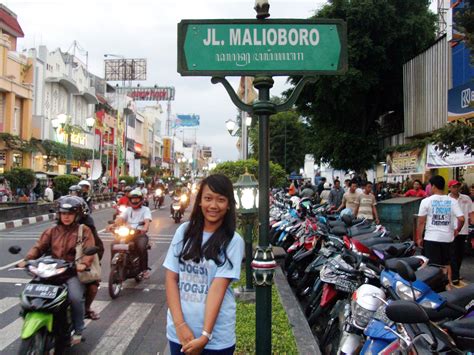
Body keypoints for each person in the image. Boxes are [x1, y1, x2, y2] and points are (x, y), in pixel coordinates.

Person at [163, 174, 244, 354]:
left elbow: (218, 288)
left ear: (229, 204)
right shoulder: (183, 232)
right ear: (199, 201)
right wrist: (180, 325)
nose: (213, 206)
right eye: (208, 198)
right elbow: (171, 278)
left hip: (216, 340)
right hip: (179, 334)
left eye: (221, 200)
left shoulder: (233, 241)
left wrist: (205, 335)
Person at [19, 197, 95, 346]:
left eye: (70, 214)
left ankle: (78, 330)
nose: (66, 217)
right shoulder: (52, 231)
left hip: (70, 272)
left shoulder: (83, 230)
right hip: (50, 270)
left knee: (75, 297)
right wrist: (27, 259)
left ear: (77, 215)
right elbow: (39, 247)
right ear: (58, 214)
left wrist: (83, 263)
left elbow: (89, 250)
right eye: (63, 213)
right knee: (29, 292)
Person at [416, 175, 464, 287]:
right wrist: (457, 230)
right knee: (447, 263)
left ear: (433, 186)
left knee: (433, 265)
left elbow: (421, 222)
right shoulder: (452, 201)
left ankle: (435, 287)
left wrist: (419, 238)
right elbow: (462, 219)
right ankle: (449, 284)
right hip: (448, 238)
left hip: (431, 238)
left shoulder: (426, 201)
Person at [113, 189, 152, 278]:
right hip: (127, 233)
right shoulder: (127, 209)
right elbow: (121, 218)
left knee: (142, 247)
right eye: (133, 199)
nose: (134, 201)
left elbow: (147, 221)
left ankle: (144, 269)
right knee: (114, 244)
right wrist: (113, 224)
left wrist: (145, 228)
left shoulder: (145, 210)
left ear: (141, 199)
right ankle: (114, 266)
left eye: (137, 199)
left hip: (139, 233)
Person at [448, 180, 473, 285]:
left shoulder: (466, 198)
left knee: (459, 254)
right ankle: (454, 276)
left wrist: (472, 220)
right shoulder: (446, 200)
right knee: (452, 253)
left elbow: (471, 212)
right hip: (451, 230)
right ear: (449, 188)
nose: (456, 188)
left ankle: (456, 273)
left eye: (457, 186)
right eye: (454, 187)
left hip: (463, 230)